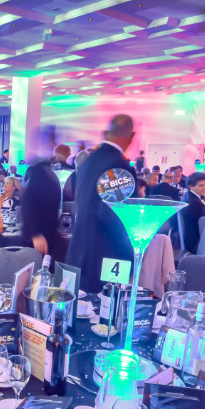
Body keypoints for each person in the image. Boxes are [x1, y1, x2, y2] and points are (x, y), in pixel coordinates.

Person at [66, 115, 137, 292]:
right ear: (131, 136)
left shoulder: (88, 160)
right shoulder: (119, 165)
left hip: (79, 249)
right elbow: (112, 215)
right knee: (106, 305)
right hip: (105, 254)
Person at [180, 172, 205, 254]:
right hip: (196, 240)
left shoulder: (188, 195)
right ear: (191, 186)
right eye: (201, 185)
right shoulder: (194, 202)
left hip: (190, 235)